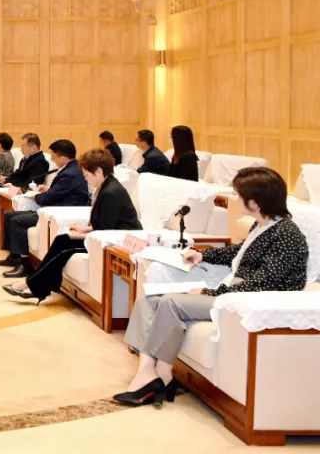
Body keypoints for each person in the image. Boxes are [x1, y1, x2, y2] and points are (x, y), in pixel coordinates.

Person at [114, 167, 308, 407]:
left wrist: (211, 292)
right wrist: (203, 255)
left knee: (170, 302)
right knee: (148, 299)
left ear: (255, 203)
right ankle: (147, 371)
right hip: (234, 291)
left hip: (247, 299)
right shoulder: (263, 225)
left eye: (239, 195)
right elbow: (239, 253)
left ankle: (162, 373)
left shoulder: (287, 235)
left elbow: (263, 283)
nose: (235, 199)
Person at [3, 148, 142, 302]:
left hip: (117, 243)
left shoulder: (111, 192)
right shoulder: (106, 186)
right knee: (62, 240)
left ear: (98, 172)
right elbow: (105, 222)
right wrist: (85, 229)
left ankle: (32, 286)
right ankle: (38, 287)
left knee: (65, 250)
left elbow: (106, 230)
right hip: (105, 236)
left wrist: (82, 234)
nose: (85, 179)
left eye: (87, 175)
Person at [0, 139, 91, 278]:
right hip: (55, 208)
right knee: (9, 215)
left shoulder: (70, 173)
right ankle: (15, 256)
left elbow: (47, 198)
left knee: (17, 221)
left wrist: (36, 196)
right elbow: (60, 191)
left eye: (54, 156)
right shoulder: (70, 169)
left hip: (59, 213)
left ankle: (25, 265)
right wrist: (48, 189)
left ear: (63, 157)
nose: (52, 160)